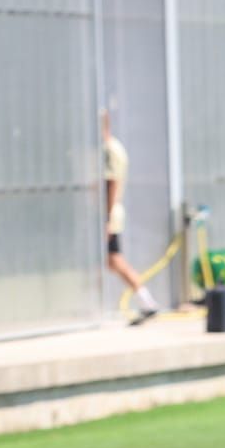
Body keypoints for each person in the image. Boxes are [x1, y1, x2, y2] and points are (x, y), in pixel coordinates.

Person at [102, 112, 160, 324]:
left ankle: (147, 301)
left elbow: (112, 183)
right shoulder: (114, 148)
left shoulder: (109, 150)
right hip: (110, 212)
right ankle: (145, 301)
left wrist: (106, 219)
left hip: (108, 214)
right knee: (109, 261)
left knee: (114, 259)